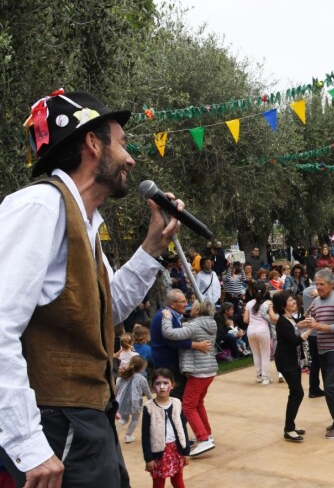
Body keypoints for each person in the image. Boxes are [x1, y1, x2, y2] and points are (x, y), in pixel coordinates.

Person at [0, 90, 186, 486]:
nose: (131, 159)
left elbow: (105, 310)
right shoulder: (39, 207)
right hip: (56, 426)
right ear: (92, 142)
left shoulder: (84, 224)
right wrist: (28, 444)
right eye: (121, 143)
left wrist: (152, 246)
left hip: (88, 421)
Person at [161, 299, 218, 458]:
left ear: (198, 311)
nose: (189, 308)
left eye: (192, 307)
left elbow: (170, 333)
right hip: (209, 370)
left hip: (198, 371)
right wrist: (186, 325)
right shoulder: (210, 323)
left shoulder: (195, 325)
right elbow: (191, 329)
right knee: (198, 403)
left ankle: (203, 438)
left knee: (188, 406)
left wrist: (166, 318)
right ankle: (207, 433)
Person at [304, 269, 334, 439]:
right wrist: (305, 322)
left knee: (330, 387)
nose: (319, 287)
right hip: (321, 348)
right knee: (331, 387)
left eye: (322, 284)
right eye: (317, 284)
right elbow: (312, 323)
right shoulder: (316, 301)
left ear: (331, 284)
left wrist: (319, 326)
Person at [151, 290, 212, 399]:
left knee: (180, 396)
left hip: (173, 362)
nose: (186, 304)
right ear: (172, 304)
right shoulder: (164, 317)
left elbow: (175, 334)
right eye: (183, 302)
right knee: (175, 396)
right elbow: (172, 340)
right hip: (167, 363)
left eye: (186, 302)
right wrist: (198, 345)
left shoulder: (170, 314)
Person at [272, 291, 313, 441]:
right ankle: (289, 429)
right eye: (290, 300)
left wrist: (306, 315)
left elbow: (296, 324)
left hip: (292, 361)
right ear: (283, 305)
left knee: (296, 392)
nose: (294, 301)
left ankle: (290, 426)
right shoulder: (283, 321)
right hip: (286, 362)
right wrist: (311, 329)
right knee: (297, 393)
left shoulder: (289, 319)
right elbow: (295, 340)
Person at [142, 368, 190, 488]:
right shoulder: (148, 408)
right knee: (158, 482)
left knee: (178, 480)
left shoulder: (177, 403)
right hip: (158, 453)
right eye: (158, 383)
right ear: (153, 387)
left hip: (175, 450)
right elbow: (145, 435)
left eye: (166, 383)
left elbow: (183, 428)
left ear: (172, 385)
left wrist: (186, 452)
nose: (162, 387)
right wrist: (148, 459)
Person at [243, 282, 277, 385]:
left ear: (253, 291)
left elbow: (245, 320)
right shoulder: (268, 303)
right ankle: (266, 378)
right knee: (265, 355)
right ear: (265, 291)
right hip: (262, 330)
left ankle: (259, 376)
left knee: (256, 354)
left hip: (251, 330)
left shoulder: (249, 303)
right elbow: (273, 318)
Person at [115, 356, 153, 444]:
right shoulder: (142, 379)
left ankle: (114, 434)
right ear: (142, 368)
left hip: (121, 401)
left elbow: (116, 388)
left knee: (124, 419)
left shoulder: (122, 375)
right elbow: (147, 391)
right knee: (135, 419)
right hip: (135, 402)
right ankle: (128, 435)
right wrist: (151, 400)